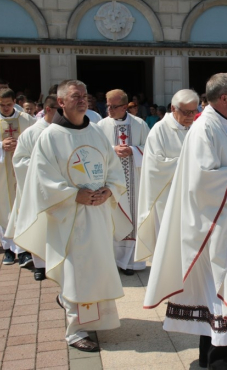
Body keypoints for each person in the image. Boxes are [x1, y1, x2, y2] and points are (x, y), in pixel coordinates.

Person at [143, 73, 227, 370]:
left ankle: (219, 353)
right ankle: (217, 359)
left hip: (225, 219)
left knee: (222, 289)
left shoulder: (219, 124)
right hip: (213, 225)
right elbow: (201, 179)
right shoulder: (205, 128)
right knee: (221, 287)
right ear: (223, 98)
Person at [13, 79, 131, 352]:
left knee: (97, 268)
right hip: (69, 216)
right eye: (76, 96)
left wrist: (109, 190)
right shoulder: (50, 136)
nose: (82, 100)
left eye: (85, 96)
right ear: (61, 103)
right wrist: (72, 194)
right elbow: (41, 179)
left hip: (98, 214)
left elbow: (113, 168)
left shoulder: (97, 133)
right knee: (76, 272)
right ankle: (75, 332)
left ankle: (93, 319)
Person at [135, 89, 199, 263]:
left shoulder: (195, 129)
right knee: (170, 245)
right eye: (186, 112)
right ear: (173, 108)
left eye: (194, 112)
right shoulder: (160, 130)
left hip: (191, 196)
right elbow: (156, 166)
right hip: (167, 196)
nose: (190, 116)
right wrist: (190, 164)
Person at [5, 95, 59, 280]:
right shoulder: (31, 132)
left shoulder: (64, 132)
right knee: (38, 225)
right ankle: (40, 265)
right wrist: (44, 169)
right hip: (37, 189)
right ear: (49, 109)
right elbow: (19, 161)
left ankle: (57, 263)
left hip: (60, 190)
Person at [98, 89, 150, 275]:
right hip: (110, 182)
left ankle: (129, 263)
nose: (109, 109)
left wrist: (134, 151)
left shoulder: (140, 124)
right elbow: (96, 150)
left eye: (113, 106)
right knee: (111, 218)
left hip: (134, 182)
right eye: (107, 105)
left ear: (124, 106)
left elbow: (151, 149)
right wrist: (113, 149)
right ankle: (110, 260)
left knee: (133, 217)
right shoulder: (101, 125)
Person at [0, 88, 36, 266]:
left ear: (15, 101)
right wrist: (1, 145)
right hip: (2, 174)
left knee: (23, 207)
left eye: (9, 104)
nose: (6, 108)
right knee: (4, 210)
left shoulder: (27, 120)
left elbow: (37, 141)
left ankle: (23, 251)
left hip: (22, 173)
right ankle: (7, 249)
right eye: (2, 105)